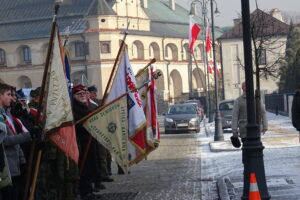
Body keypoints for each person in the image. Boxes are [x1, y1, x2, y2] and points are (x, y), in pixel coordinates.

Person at [0, 83, 40, 200]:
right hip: (7, 167)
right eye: (8, 94)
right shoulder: (1, 116)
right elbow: (5, 141)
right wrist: (29, 135)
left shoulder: (8, 114)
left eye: (12, 95)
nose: (12, 98)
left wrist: (22, 161)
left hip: (16, 164)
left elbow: (15, 138)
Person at [71, 85, 101, 200]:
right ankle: (85, 192)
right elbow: (75, 126)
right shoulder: (73, 109)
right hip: (81, 143)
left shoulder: (86, 107)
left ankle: (90, 190)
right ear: (74, 96)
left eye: (84, 93)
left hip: (90, 141)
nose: (83, 95)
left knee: (91, 167)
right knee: (84, 168)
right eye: (79, 94)